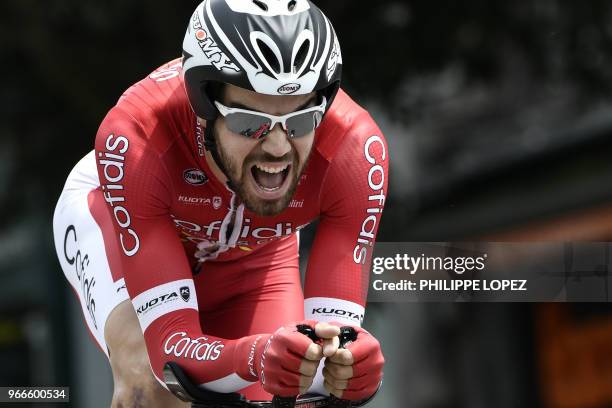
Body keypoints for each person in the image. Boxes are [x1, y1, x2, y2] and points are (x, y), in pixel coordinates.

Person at [53, 0, 387, 406]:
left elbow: (330, 356)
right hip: (114, 213)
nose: (278, 149)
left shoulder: (355, 152)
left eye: (300, 121)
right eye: (251, 123)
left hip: (255, 256)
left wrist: (349, 368)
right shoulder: (137, 139)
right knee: (151, 387)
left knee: (295, 387)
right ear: (204, 107)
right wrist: (254, 356)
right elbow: (170, 352)